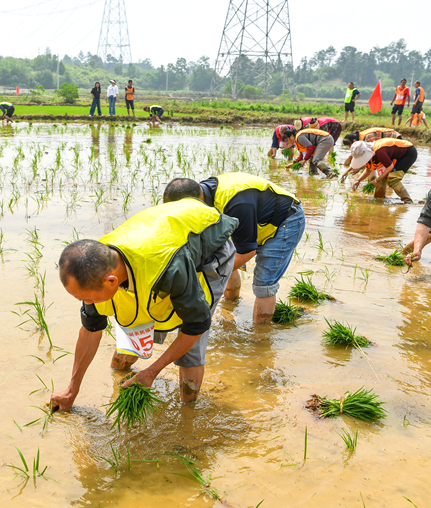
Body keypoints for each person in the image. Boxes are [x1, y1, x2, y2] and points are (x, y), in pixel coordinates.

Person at [51, 200, 237, 411]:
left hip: (209, 244)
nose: (87, 304)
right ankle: (127, 370)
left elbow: (197, 325)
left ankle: (188, 417)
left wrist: (152, 371)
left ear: (111, 281)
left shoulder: (170, 268)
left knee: (191, 349)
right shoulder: (93, 263)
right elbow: (90, 330)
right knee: (134, 331)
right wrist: (71, 390)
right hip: (158, 239)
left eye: (89, 298)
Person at [163, 173, 305, 324]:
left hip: (285, 220)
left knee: (264, 283)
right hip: (252, 217)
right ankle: (230, 304)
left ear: (195, 200)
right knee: (221, 256)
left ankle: (260, 339)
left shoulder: (236, 202)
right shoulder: (202, 193)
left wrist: (203, 276)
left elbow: (246, 252)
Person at [349, 139, 416, 203]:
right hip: (395, 155)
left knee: (393, 179)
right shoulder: (373, 153)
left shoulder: (379, 152)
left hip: (407, 153)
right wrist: (358, 180)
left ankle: (407, 201)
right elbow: (369, 170)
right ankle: (380, 199)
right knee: (382, 177)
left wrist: (376, 181)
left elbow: (390, 167)